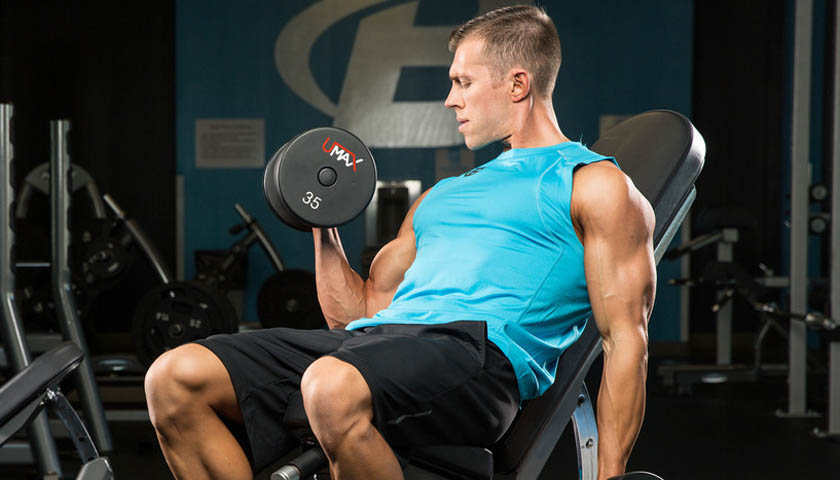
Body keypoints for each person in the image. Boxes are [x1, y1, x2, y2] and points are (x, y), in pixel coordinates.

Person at [144, 5, 655, 480]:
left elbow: (625, 340)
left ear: (518, 84)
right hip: (374, 344)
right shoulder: (442, 195)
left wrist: (610, 475)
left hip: (479, 356)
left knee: (332, 385)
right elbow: (357, 314)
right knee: (175, 377)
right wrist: (323, 220)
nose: (451, 99)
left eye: (464, 82)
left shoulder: (592, 184)